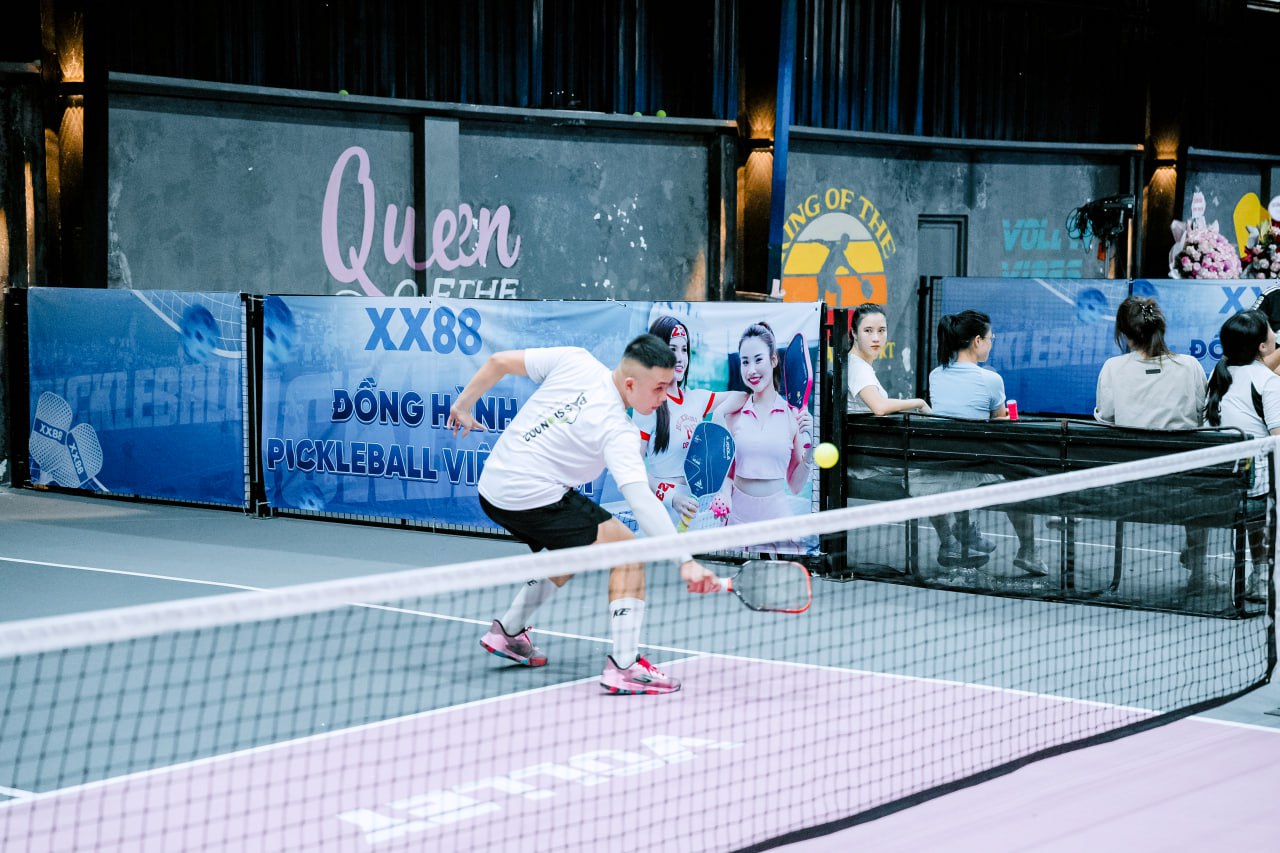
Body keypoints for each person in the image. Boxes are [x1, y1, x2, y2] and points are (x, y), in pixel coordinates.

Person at [447, 335, 719, 695]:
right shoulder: (618, 430)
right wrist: (684, 560)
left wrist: (462, 406)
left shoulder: (575, 360)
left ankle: (508, 632)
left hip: (493, 486)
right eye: (658, 388)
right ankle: (625, 666)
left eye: (669, 386)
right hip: (529, 495)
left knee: (580, 544)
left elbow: (499, 361)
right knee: (627, 551)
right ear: (630, 385)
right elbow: (642, 500)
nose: (665, 397)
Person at [1094, 296, 1209, 591]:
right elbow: (1202, 417)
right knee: (1199, 479)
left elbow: (1105, 417)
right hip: (1185, 488)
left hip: (1129, 488)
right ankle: (1199, 570)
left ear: (1124, 334)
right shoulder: (1191, 366)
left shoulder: (1112, 368)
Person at [921, 310, 1047, 576]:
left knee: (955, 462)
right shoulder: (991, 380)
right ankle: (1029, 551)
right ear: (977, 341)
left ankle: (959, 534)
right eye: (991, 338)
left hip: (940, 465)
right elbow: (1000, 424)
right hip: (975, 470)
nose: (991, 343)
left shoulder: (935, 375)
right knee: (1018, 479)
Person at [1204, 310, 1280, 600]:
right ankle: (1262, 575)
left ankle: (1259, 574)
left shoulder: (1217, 375)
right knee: (1262, 481)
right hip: (1250, 485)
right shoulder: (1269, 382)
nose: (1275, 334)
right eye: (1271, 331)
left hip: (1215, 481)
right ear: (1262, 346)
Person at [715, 322, 813, 533]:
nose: (751, 370)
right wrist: (724, 493)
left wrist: (811, 450)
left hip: (777, 522)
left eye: (758, 359)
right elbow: (727, 474)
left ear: (773, 360)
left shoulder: (792, 416)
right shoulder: (734, 413)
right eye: (745, 362)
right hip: (737, 520)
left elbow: (796, 486)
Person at [632, 315, 720, 526]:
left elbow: (741, 398)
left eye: (684, 349)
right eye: (672, 349)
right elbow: (633, 466)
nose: (680, 357)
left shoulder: (695, 398)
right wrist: (671, 497)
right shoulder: (646, 403)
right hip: (661, 515)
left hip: (693, 510)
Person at [847, 303, 931, 416]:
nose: (876, 338)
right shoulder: (858, 367)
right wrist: (919, 403)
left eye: (881, 330)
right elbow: (880, 407)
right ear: (854, 332)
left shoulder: (854, 362)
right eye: (868, 330)